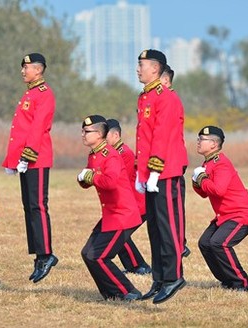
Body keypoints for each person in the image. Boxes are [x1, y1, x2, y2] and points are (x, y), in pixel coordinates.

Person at [135, 49, 188, 304]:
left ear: (155, 69)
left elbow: (162, 136)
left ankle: (174, 276)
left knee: (168, 227)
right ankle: (159, 277)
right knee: (155, 228)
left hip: (165, 171)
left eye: (141, 65)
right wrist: (140, 171)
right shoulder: (145, 97)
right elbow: (143, 138)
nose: (138, 69)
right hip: (151, 173)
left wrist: (155, 169)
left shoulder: (165, 97)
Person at [2, 53, 58, 283]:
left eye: (26, 67)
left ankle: (46, 255)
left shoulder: (44, 94)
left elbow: (37, 127)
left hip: (37, 157)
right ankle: (38, 255)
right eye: (23, 67)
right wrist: (12, 160)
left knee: (38, 206)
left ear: (39, 69)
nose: (23, 71)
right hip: (26, 159)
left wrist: (27, 156)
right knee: (29, 207)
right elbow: (20, 130)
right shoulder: (30, 93)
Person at [78, 115, 143, 301]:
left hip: (123, 215)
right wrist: (83, 179)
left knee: (98, 256)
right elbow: (90, 178)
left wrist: (90, 177)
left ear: (99, 134)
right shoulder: (94, 154)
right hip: (110, 214)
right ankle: (110, 294)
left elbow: (110, 182)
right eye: (82, 131)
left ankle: (128, 292)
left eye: (86, 132)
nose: (83, 134)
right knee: (88, 254)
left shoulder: (110, 154)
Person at [192, 126, 248, 291]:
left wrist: (202, 178)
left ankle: (242, 283)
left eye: (202, 139)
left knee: (219, 243)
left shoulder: (221, 163)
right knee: (205, 243)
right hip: (226, 215)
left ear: (214, 144)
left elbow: (218, 190)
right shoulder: (208, 163)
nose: (198, 142)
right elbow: (205, 193)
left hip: (241, 214)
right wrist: (197, 182)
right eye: (199, 139)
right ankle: (227, 280)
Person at [105, 119, 152, 275]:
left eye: (105, 135)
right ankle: (136, 265)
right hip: (127, 203)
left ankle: (139, 266)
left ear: (116, 135)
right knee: (118, 234)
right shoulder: (113, 153)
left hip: (136, 204)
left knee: (118, 234)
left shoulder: (124, 153)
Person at [158, 64, 191, 258]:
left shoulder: (169, 100)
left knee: (174, 207)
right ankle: (174, 244)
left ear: (166, 81)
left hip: (171, 161)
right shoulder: (158, 99)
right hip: (164, 161)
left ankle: (179, 245)